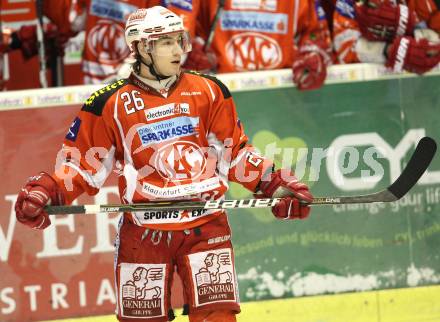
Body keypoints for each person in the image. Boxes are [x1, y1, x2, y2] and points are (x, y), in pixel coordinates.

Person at [14, 6, 313, 322]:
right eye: (166, 42)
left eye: (180, 40)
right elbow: (80, 167)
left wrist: (275, 184)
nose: (179, 50)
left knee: (219, 318)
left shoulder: (209, 91)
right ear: (142, 47)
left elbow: (235, 154)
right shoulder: (107, 104)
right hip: (143, 233)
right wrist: (48, 190)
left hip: (206, 225)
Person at [184, 0, 333, 91]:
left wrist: (315, 53)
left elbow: (316, 32)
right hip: (219, 96)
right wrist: (193, 52)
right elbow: (189, 30)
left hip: (284, 96)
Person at [333, 0, 440, 74]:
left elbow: (433, 43)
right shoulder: (348, 3)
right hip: (363, 86)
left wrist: (423, 45)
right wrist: (388, 50)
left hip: (413, 86)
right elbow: (344, 50)